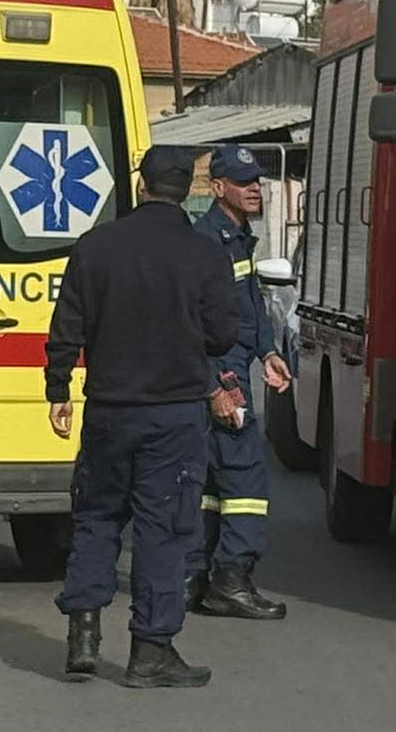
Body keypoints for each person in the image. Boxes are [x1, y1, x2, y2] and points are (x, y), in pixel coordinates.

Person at [45, 145, 242, 688]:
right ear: (188, 189)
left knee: (97, 518)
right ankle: (150, 652)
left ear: (141, 186)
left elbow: (68, 322)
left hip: (109, 410)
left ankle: (82, 637)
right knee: (163, 530)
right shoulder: (204, 254)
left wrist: (58, 386)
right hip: (173, 416)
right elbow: (223, 334)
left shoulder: (97, 246)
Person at [185, 144, 293, 621]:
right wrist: (218, 383)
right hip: (221, 372)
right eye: (243, 181)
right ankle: (232, 579)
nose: (255, 189)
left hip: (236, 365)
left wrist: (267, 351)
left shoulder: (239, 236)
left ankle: (196, 576)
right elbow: (196, 324)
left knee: (211, 481)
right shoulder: (207, 242)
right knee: (245, 477)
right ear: (217, 187)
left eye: (257, 181)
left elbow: (249, 306)